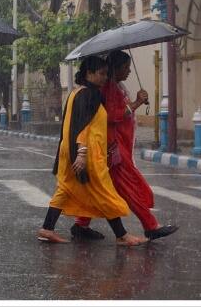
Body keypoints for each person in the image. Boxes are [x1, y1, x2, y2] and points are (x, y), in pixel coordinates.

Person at [37, 55, 147, 246]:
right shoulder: (92, 94)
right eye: (102, 74)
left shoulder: (75, 92)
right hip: (87, 154)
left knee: (65, 190)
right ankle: (122, 235)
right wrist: (82, 153)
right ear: (89, 73)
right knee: (104, 192)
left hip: (69, 150)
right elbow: (84, 126)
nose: (106, 77)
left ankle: (47, 229)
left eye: (106, 73)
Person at [71, 51, 178, 241]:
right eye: (125, 67)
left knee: (98, 187)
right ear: (115, 68)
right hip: (114, 147)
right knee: (127, 187)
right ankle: (149, 225)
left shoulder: (115, 86)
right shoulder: (110, 88)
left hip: (115, 145)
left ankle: (81, 224)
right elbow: (113, 115)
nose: (128, 71)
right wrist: (136, 102)